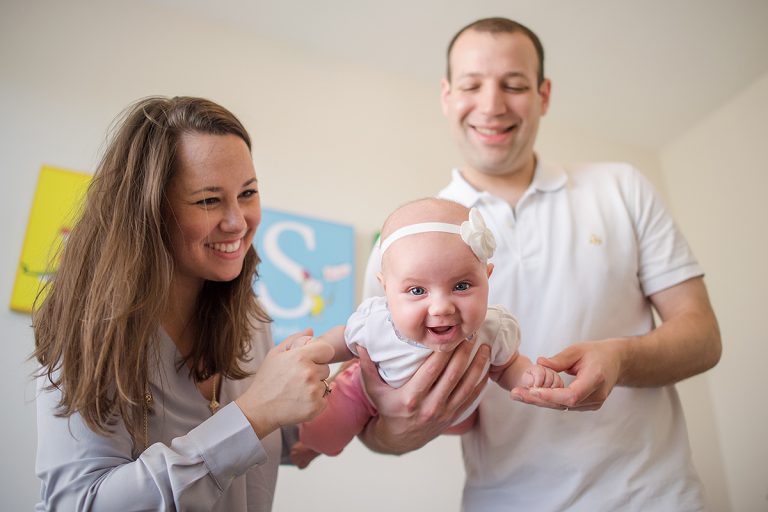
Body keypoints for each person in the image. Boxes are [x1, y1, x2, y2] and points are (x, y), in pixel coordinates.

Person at [356, 17, 722, 511]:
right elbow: (373, 424)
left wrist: (620, 358)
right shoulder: (400, 244)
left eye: (514, 85)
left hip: (654, 497)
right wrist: (400, 428)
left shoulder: (621, 188)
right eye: (471, 85)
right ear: (447, 95)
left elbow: (702, 337)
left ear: (543, 94)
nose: (491, 105)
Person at [32, 96, 335, 511]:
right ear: (150, 211)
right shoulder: (88, 328)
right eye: (209, 200)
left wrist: (369, 395)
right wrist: (250, 416)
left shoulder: (251, 318)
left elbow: (280, 446)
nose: (237, 221)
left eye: (247, 193)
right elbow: (79, 503)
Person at [292, 198, 562, 460]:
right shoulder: (377, 323)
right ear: (386, 289)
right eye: (417, 290)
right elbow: (344, 338)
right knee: (326, 430)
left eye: (462, 286)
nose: (441, 308)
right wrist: (315, 351)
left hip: (452, 407)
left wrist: (527, 377)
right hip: (364, 390)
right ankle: (310, 448)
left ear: (487, 277)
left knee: (467, 422)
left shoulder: (494, 328)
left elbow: (507, 365)